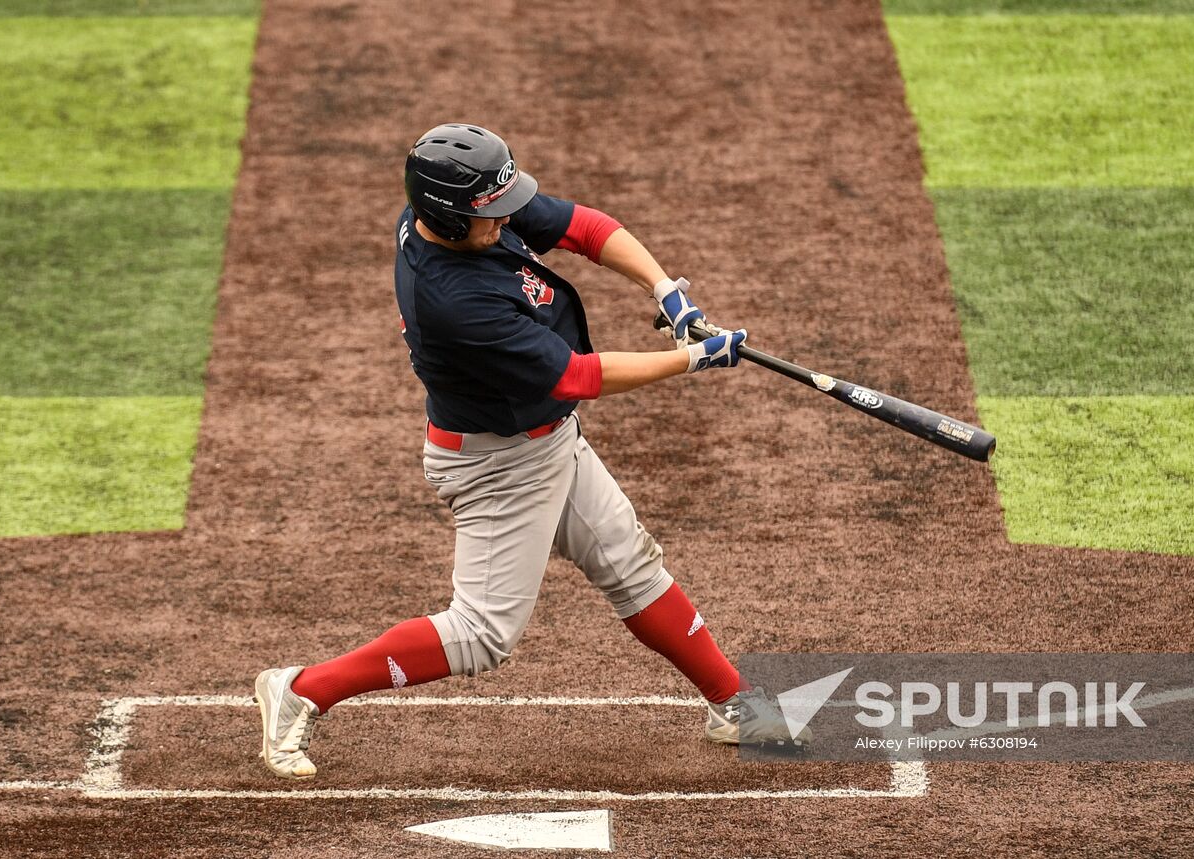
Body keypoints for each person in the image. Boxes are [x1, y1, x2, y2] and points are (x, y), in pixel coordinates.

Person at [252, 123, 807, 780]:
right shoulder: (455, 303)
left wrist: (668, 292)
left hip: (546, 439)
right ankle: (301, 689)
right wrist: (692, 359)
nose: (507, 217)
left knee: (630, 561)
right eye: (490, 213)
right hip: (498, 465)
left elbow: (585, 228)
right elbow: (577, 376)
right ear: (449, 219)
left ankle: (731, 703)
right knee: (483, 633)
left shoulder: (465, 210)